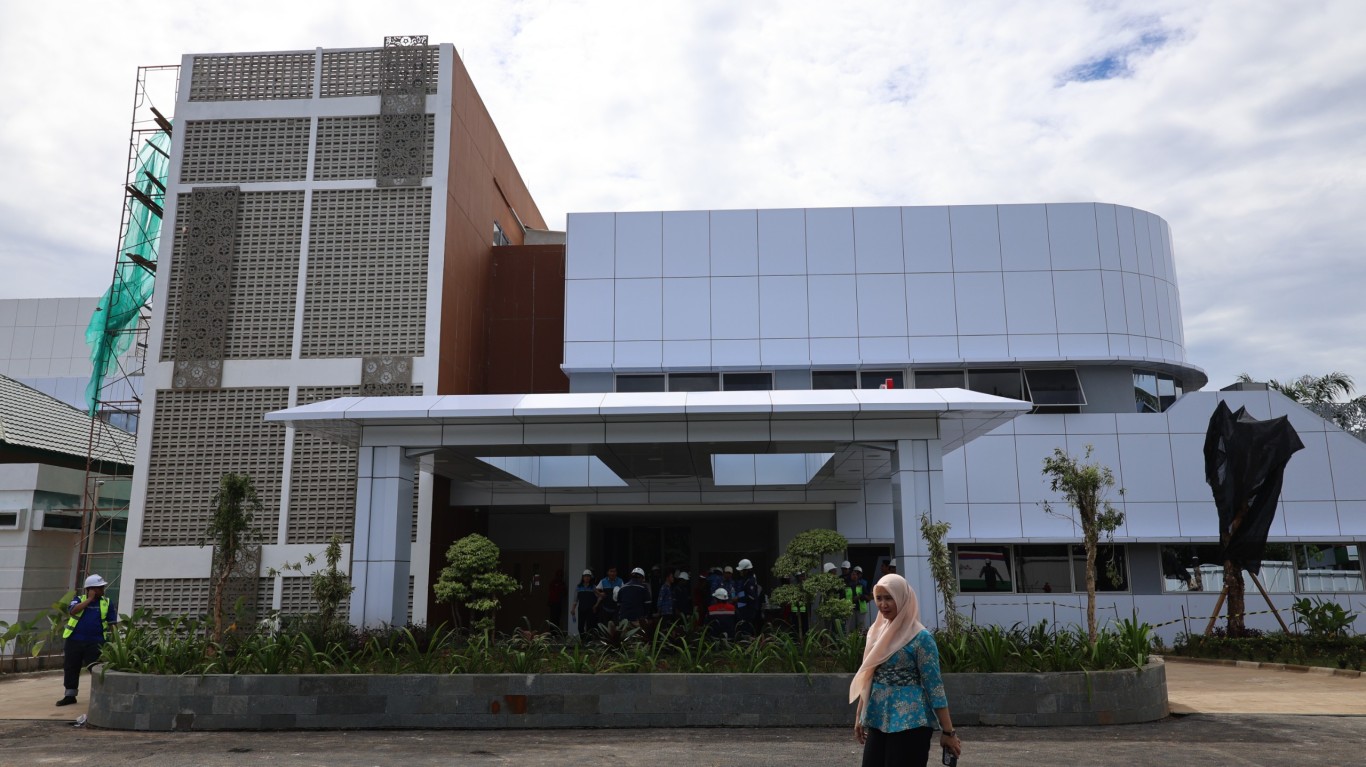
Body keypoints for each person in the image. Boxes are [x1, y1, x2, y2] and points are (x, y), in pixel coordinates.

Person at [851, 574, 962, 767]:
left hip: (911, 723)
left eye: (889, 598)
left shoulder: (921, 638)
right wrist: (860, 716)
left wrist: (948, 732)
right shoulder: (876, 632)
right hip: (878, 718)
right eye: (879, 598)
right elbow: (868, 675)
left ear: (902, 598)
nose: (883, 604)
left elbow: (934, 686)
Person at [57, 574, 117, 706]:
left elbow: (112, 623)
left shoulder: (107, 602)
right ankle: (70, 695)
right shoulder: (78, 600)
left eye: (102, 587)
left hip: (96, 642)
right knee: (71, 667)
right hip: (74, 640)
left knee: (96, 668)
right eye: (100, 588)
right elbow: (73, 611)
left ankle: (102, 695)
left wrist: (116, 642)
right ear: (91, 589)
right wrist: (89, 599)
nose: (103, 590)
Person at [733, 558, 762, 638]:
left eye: (741, 570)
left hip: (749, 610)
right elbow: (745, 592)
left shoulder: (750, 581)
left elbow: (751, 597)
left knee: (746, 630)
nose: (740, 572)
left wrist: (738, 598)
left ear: (746, 570)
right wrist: (738, 597)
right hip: (744, 608)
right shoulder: (746, 579)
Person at [571, 569, 599, 638]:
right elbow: (575, 600)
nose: (587, 578)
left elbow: (599, 597)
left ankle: (588, 641)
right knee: (580, 626)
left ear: (590, 577)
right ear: (583, 577)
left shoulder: (593, 587)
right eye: (585, 576)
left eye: (588, 576)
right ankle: (583, 640)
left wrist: (595, 606)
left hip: (590, 610)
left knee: (590, 627)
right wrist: (573, 609)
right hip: (581, 609)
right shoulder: (578, 587)